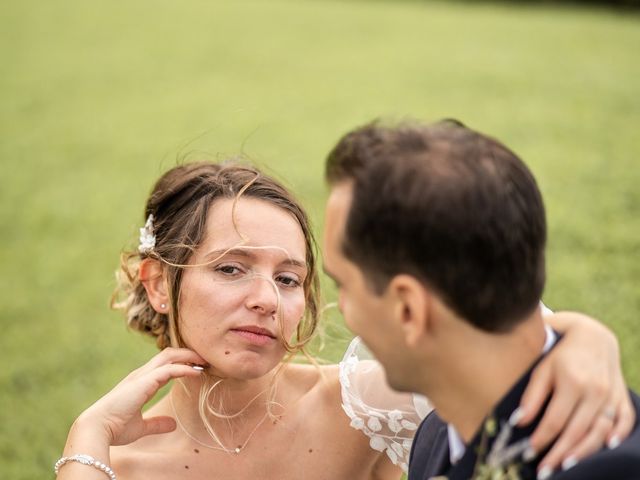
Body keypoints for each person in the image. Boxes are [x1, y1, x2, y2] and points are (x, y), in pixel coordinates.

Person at [56, 161, 631, 480]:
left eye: (288, 279)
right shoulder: (114, 466)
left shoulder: (363, 403)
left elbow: (486, 339)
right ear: (159, 283)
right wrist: (87, 440)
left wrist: (581, 335)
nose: (267, 300)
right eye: (232, 269)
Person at [322, 119, 640, 480]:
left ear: (409, 309)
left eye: (343, 285)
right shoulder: (436, 434)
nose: (343, 309)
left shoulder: (616, 469)